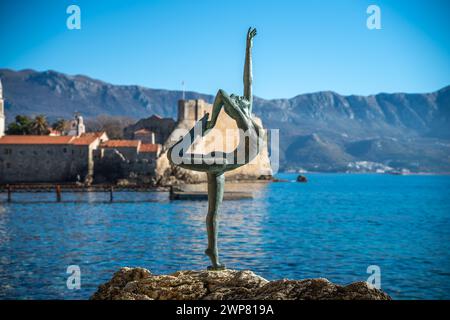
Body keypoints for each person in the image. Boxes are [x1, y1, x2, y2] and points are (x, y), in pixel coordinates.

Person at [168, 27, 263, 270]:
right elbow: (221, 93)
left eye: (240, 97)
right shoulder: (242, 117)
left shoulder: (247, 112)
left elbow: (248, 80)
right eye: (238, 99)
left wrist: (248, 49)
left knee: (214, 213)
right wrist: (209, 124)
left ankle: (213, 250)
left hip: (222, 165)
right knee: (174, 156)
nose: (239, 97)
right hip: (220, 161)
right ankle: (198, 129)